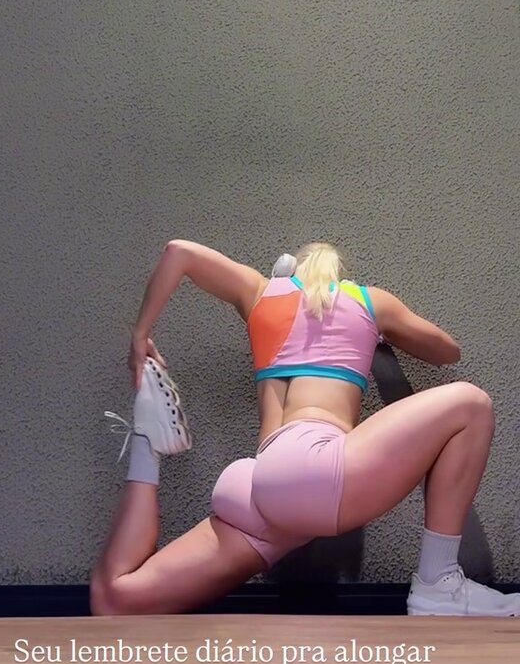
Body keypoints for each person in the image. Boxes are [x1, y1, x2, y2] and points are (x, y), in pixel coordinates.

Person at [90, 239, 520, 617]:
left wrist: (140, 336)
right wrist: (380, 332)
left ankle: (146, 440)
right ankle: (438, 584)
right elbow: (447, 351)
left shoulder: (259, 293)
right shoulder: (366, 300)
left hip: (257, 486)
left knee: (116, 598)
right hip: (313, 466)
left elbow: (178, 252)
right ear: (336, 272)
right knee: (471, 405)